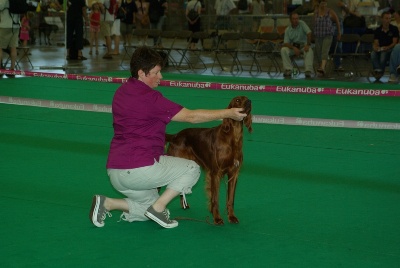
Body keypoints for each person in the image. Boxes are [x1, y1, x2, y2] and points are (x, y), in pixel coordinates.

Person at [89, 46, 247, 229]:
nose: (160, 77)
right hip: (140, 169)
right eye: (156, 72)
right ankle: (158, 208)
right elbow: (191, 117)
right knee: (192, 169)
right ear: (141, 73)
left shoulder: (120, 92)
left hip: (115, 172)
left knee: (148, 209)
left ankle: (107, 203)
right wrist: (228, 113)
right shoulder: (151, 98)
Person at [281, 12, 314, 78]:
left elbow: (309, 33)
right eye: (294, 19)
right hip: (294, 47)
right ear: (290, 20)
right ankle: (288, 69)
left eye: (297, 18)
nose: (296, 20)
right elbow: (286, 43)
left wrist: (308, 44)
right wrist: (293, 48)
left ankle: (308, 71)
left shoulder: (302, 23)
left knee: (309, 50)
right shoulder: (288, 29)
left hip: (303, 46)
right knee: (283, 50)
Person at [313, 0, 341, 76]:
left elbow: (337, 22)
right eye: (322, 2)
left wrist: (339, 33)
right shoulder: (316, 12)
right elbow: (314, 23)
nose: (323, 4)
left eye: (325, 3)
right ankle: (321, 67)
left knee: (324, 50)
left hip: (328, 35)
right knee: (318, 52)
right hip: (318, 35)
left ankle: (322, 67)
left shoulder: (330, 11)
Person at [371, 11, 398, 81]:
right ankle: (377, 70)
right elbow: (376, 42)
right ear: (382, 19)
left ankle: (380, 72)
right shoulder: (377, 30)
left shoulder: (394, 29)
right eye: (386, 18)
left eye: (389, 18)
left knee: (383, 54)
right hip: (381, 48)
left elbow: (394, 43)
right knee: (373, 53)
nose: (388, 20)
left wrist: (388, 47)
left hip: (391, 49)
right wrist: (376, 47)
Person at [0, 0, 21, 78]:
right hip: (16, 25)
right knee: (13, 47)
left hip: (5, 25)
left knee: (0, 47)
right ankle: (12, 69)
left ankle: (0, 70)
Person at [327, 0, 348, 70]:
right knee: (327, 43)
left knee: (338, 44)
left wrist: (343, 5)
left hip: (338, 22)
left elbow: (348, 10)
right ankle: (324, 63)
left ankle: (337, 64)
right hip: (326, 23)